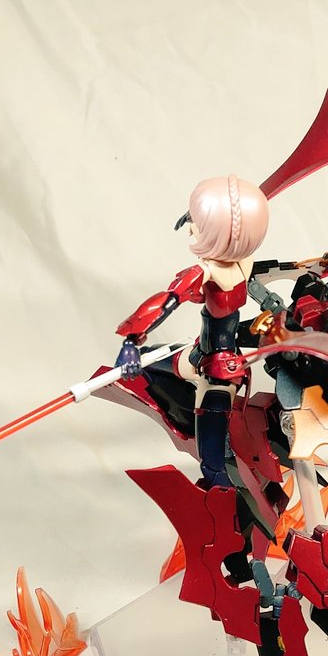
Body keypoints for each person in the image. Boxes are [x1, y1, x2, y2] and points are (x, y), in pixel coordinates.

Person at [115, 175, 269, 487]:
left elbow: (166, 301)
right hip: (201, 354)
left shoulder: (206, 271)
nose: (189, 229)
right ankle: (188, 422)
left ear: (218, 232)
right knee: (146, 363)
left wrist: (131, 338)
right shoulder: (246, 261)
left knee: (212, 461)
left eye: (197, 224)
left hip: (216, 371)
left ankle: (223, 494)